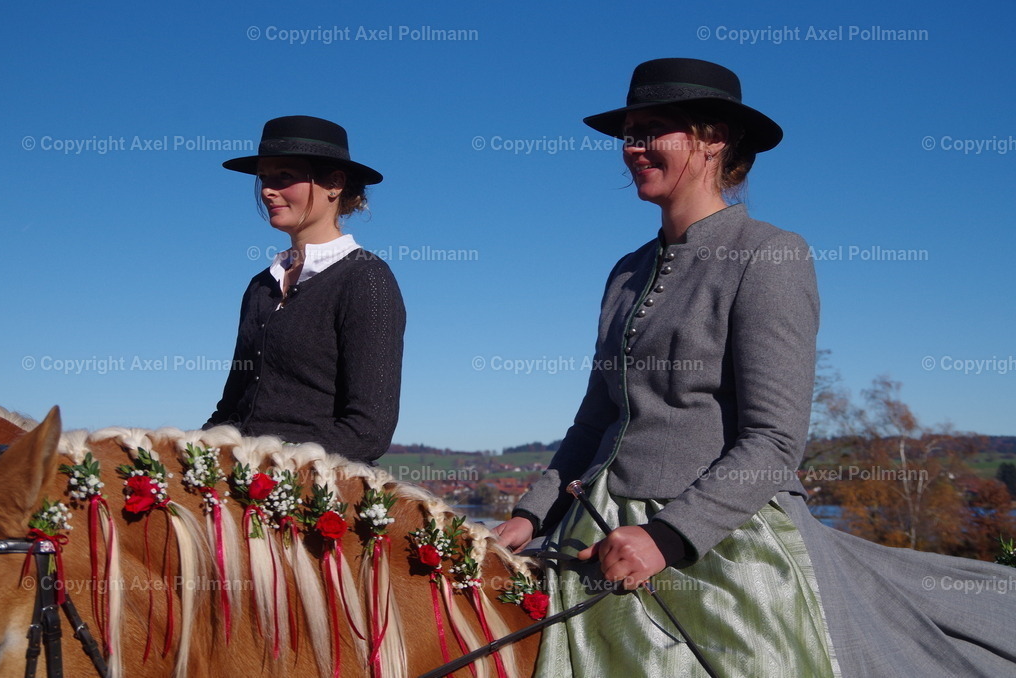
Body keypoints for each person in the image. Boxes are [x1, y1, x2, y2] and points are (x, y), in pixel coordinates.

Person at [493, 59, 1016, 677]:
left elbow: (773, 440)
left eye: (653, 129)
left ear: (715, 139)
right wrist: (530, 514)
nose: (633, 148)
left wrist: (666, 538)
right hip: (598, 527)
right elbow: (595, 420)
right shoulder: (625, 272)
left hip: (718, 542)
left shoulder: (769, 254)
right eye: (628, 134)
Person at [205, 115, 405, 464]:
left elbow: (368, 431)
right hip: (241, 485)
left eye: (285, 175)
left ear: (335, 183)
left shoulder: (367, 279)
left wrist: (275, 468)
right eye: (264, 177)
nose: (268, 189)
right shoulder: (260, 286)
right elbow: (230, 410)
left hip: (318, 491)